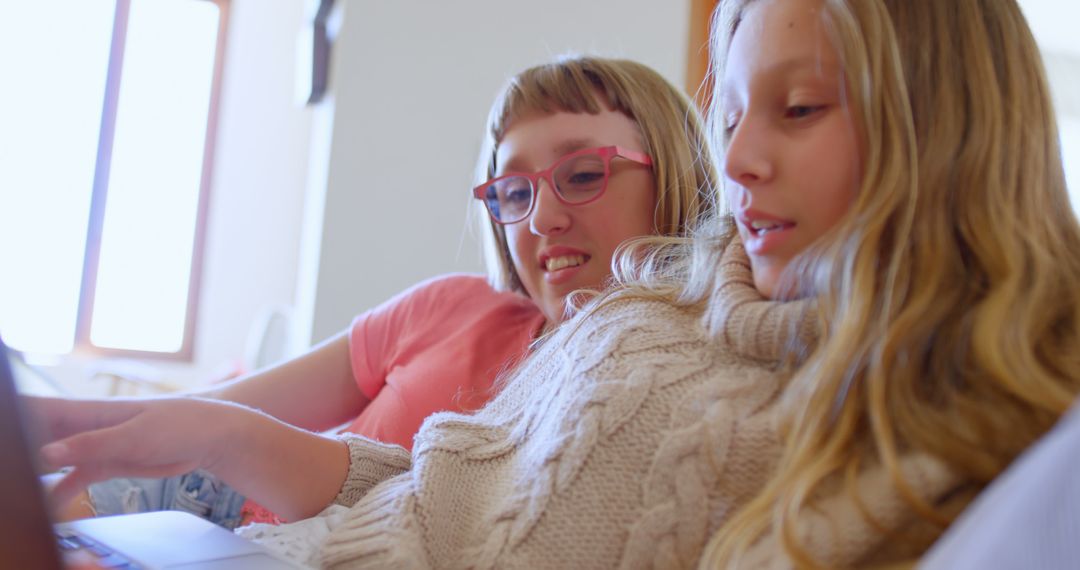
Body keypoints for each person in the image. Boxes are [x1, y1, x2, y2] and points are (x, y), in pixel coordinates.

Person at [29, 0, 1080, 568]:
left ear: (943, 122)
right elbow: (447, 492)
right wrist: (212, 439)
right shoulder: (663, 303)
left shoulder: (903, 407)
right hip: (258, 535)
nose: (744, 159)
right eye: (732, 119)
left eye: (798, 109)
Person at [52, 54, 718, 528]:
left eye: (580, 175)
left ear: (675, 177)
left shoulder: (663, 385)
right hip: (208, 497)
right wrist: (40, 423)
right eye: (514, 191)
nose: (540, 218)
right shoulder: (454, 307)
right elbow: (202, 415)